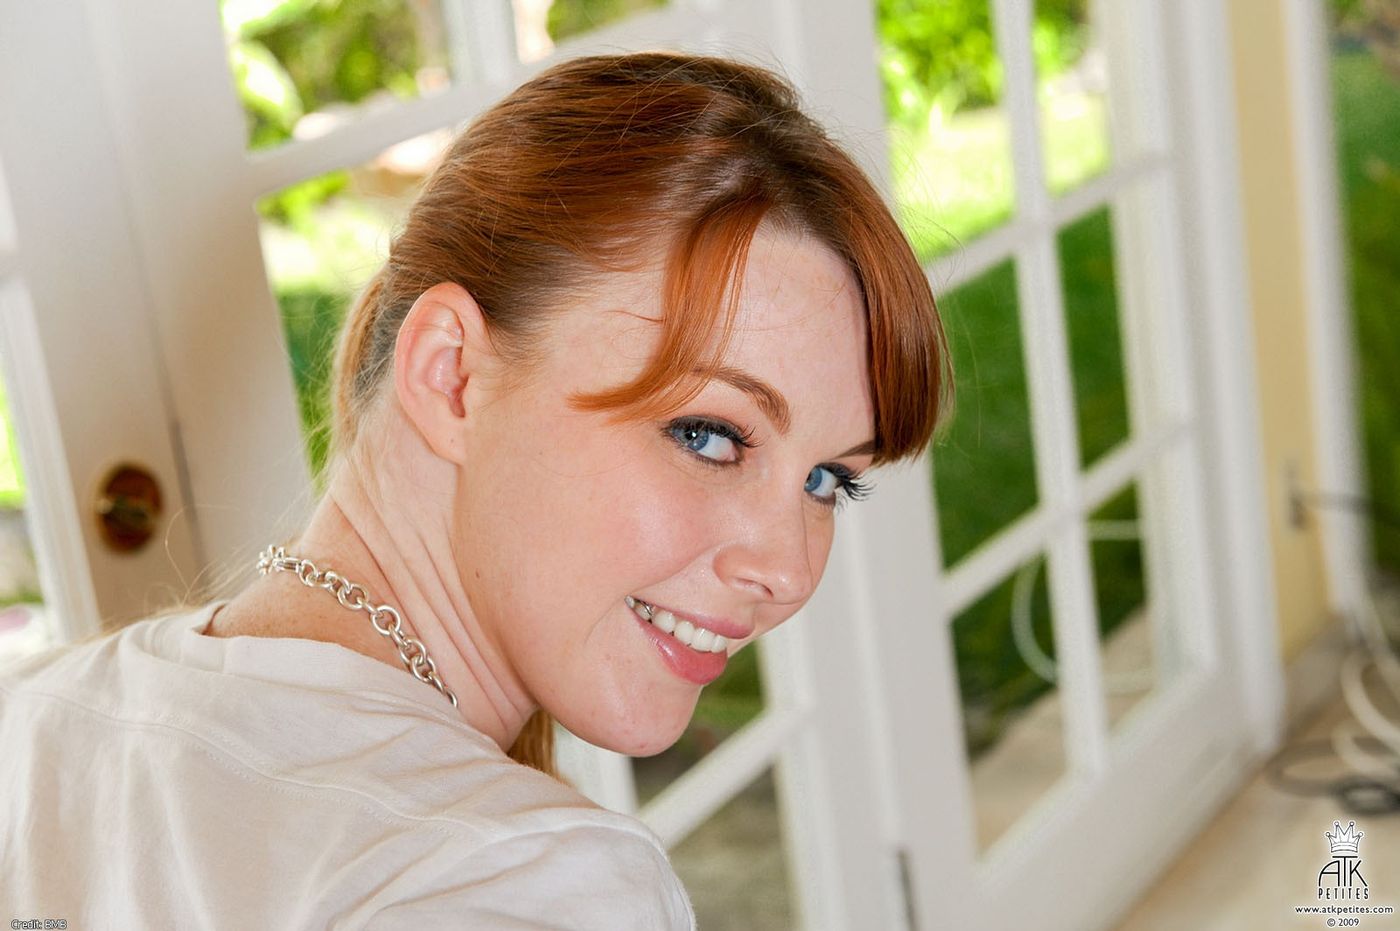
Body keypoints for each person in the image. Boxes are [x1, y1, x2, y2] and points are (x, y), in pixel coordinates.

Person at [0, 50, 953, 927]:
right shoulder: (524, 881)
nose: (787, 569)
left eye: (829, 480)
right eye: (708, 435)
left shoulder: (35, 716)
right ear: (450, 374)